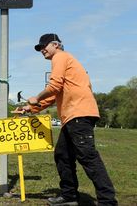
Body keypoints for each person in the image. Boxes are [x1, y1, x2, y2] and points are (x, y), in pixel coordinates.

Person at [16, 33, 117, 206]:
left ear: (56, 44)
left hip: (79, 114)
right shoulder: (64, 61)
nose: (42, 50)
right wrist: (30, 108)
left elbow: (53, 86)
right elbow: (55, 95)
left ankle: (108, 201)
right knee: (63, 154)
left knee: (88, 157)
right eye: (39, 48)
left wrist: (36, 97)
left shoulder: (60, 57)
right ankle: (69, 196)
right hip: (74, 117)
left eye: (44, 46)